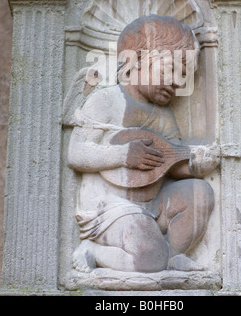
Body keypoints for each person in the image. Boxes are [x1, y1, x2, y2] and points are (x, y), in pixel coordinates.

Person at [68, 15, 220, 273]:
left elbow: (171, 162)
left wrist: (197, 164)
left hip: (152, 203)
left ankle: (172, 254)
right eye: (171, 69)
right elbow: (77, 153)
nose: (179, 82)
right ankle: (92, 250)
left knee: (199, 193)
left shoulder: (165, 116)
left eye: (185, 76)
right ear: (134, 60)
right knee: (149, 258)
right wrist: (124, 155)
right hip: (110, 208)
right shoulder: (106, 101)